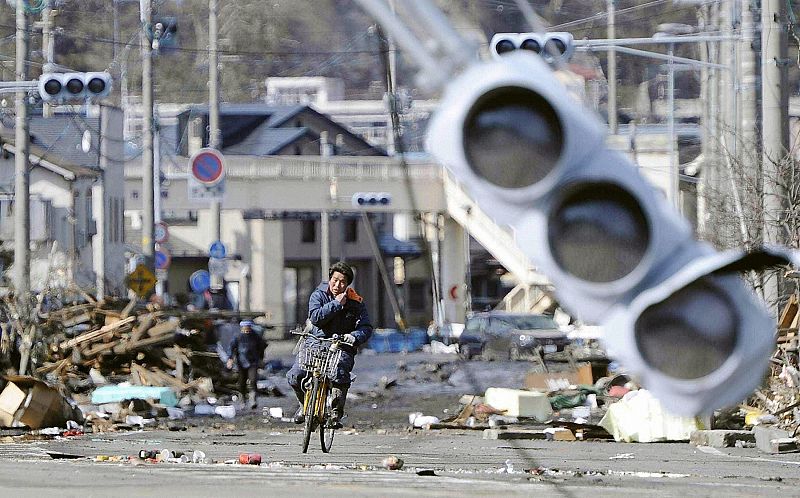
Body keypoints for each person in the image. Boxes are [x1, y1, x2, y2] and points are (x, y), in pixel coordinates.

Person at [286, 261, 373, 429]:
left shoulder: (356, 303)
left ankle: (335, 413)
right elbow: (316, 317)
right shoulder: (318, 295)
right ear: (329, 279)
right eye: (335, 280)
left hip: (340, 346)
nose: (337, 285)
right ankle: (304, 406)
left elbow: (366, 327)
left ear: (348, 284)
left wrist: (353, 337)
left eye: (342, 282)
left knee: (340, 373)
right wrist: (336, 304)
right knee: (296, 375)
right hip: (314, 343)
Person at [227, 320, 267, 409]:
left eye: (248, 328)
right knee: (242, 382)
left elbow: (262, 347)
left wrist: (261, 358)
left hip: (253, 361)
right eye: (245, 328)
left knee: (253, 380)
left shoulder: (255, 336)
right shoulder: (237, 336)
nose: (247, 330)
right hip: (241, 362)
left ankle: (253, 399)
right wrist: (230, 359)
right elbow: (231, 347)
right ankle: (242, 400)